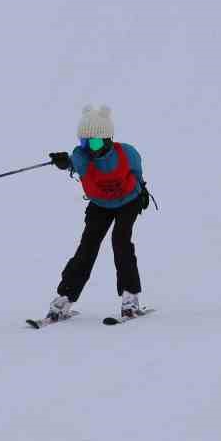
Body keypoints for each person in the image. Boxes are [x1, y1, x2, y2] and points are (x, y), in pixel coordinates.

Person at [44, 104, 150, 321]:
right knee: (87, 247)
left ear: (108, 139)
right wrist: (63, 162)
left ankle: (130, 296)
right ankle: (65, 296)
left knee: (120, 240)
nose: (89, 147)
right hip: (100, 204)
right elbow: (72, 163)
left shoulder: (128, 153)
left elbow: (137, 173)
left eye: (94, 142)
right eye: (84, 142)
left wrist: (142, 194)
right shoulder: (81, 157)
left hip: (128, 201)